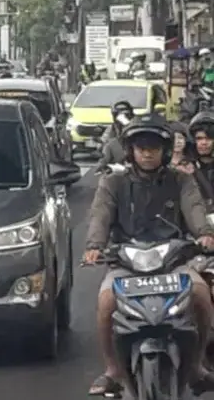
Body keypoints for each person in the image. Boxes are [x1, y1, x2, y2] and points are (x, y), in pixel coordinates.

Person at [84, 114, 214, 396]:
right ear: (130, 151)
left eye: (153, 147)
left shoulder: (181, 180)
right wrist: (95, 246)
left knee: (202, 294)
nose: (146, 152)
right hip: (125, 263)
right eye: (140, 147)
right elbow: (100, 215)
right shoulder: (113, 182)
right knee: (106, 302)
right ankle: (113, 371)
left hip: (173, 261)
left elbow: (194, 208)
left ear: (165, 151)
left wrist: (204, 233)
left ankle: (196, 367)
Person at [94, 101, 135, 172]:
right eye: (119, 115)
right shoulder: (112, 130)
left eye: (126, 114)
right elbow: (103, 144)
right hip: (118, 167)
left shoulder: (137, 127)